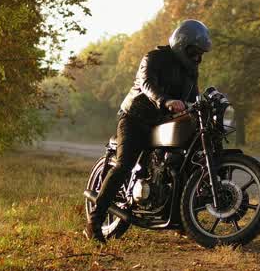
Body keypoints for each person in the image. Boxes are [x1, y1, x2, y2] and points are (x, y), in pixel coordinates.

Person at [84, 19, 212, 241]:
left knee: (183, 163)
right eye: (194, 51)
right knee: (124, 165)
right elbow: (146, 84)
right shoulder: (154, 58)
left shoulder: (191, 72)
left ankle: (183, 221)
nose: (198, 57)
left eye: (200, 53)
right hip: (135, 118)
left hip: (163, 123)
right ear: (182, 44)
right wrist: (165, 101)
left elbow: (193, 99)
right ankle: (93, 222)